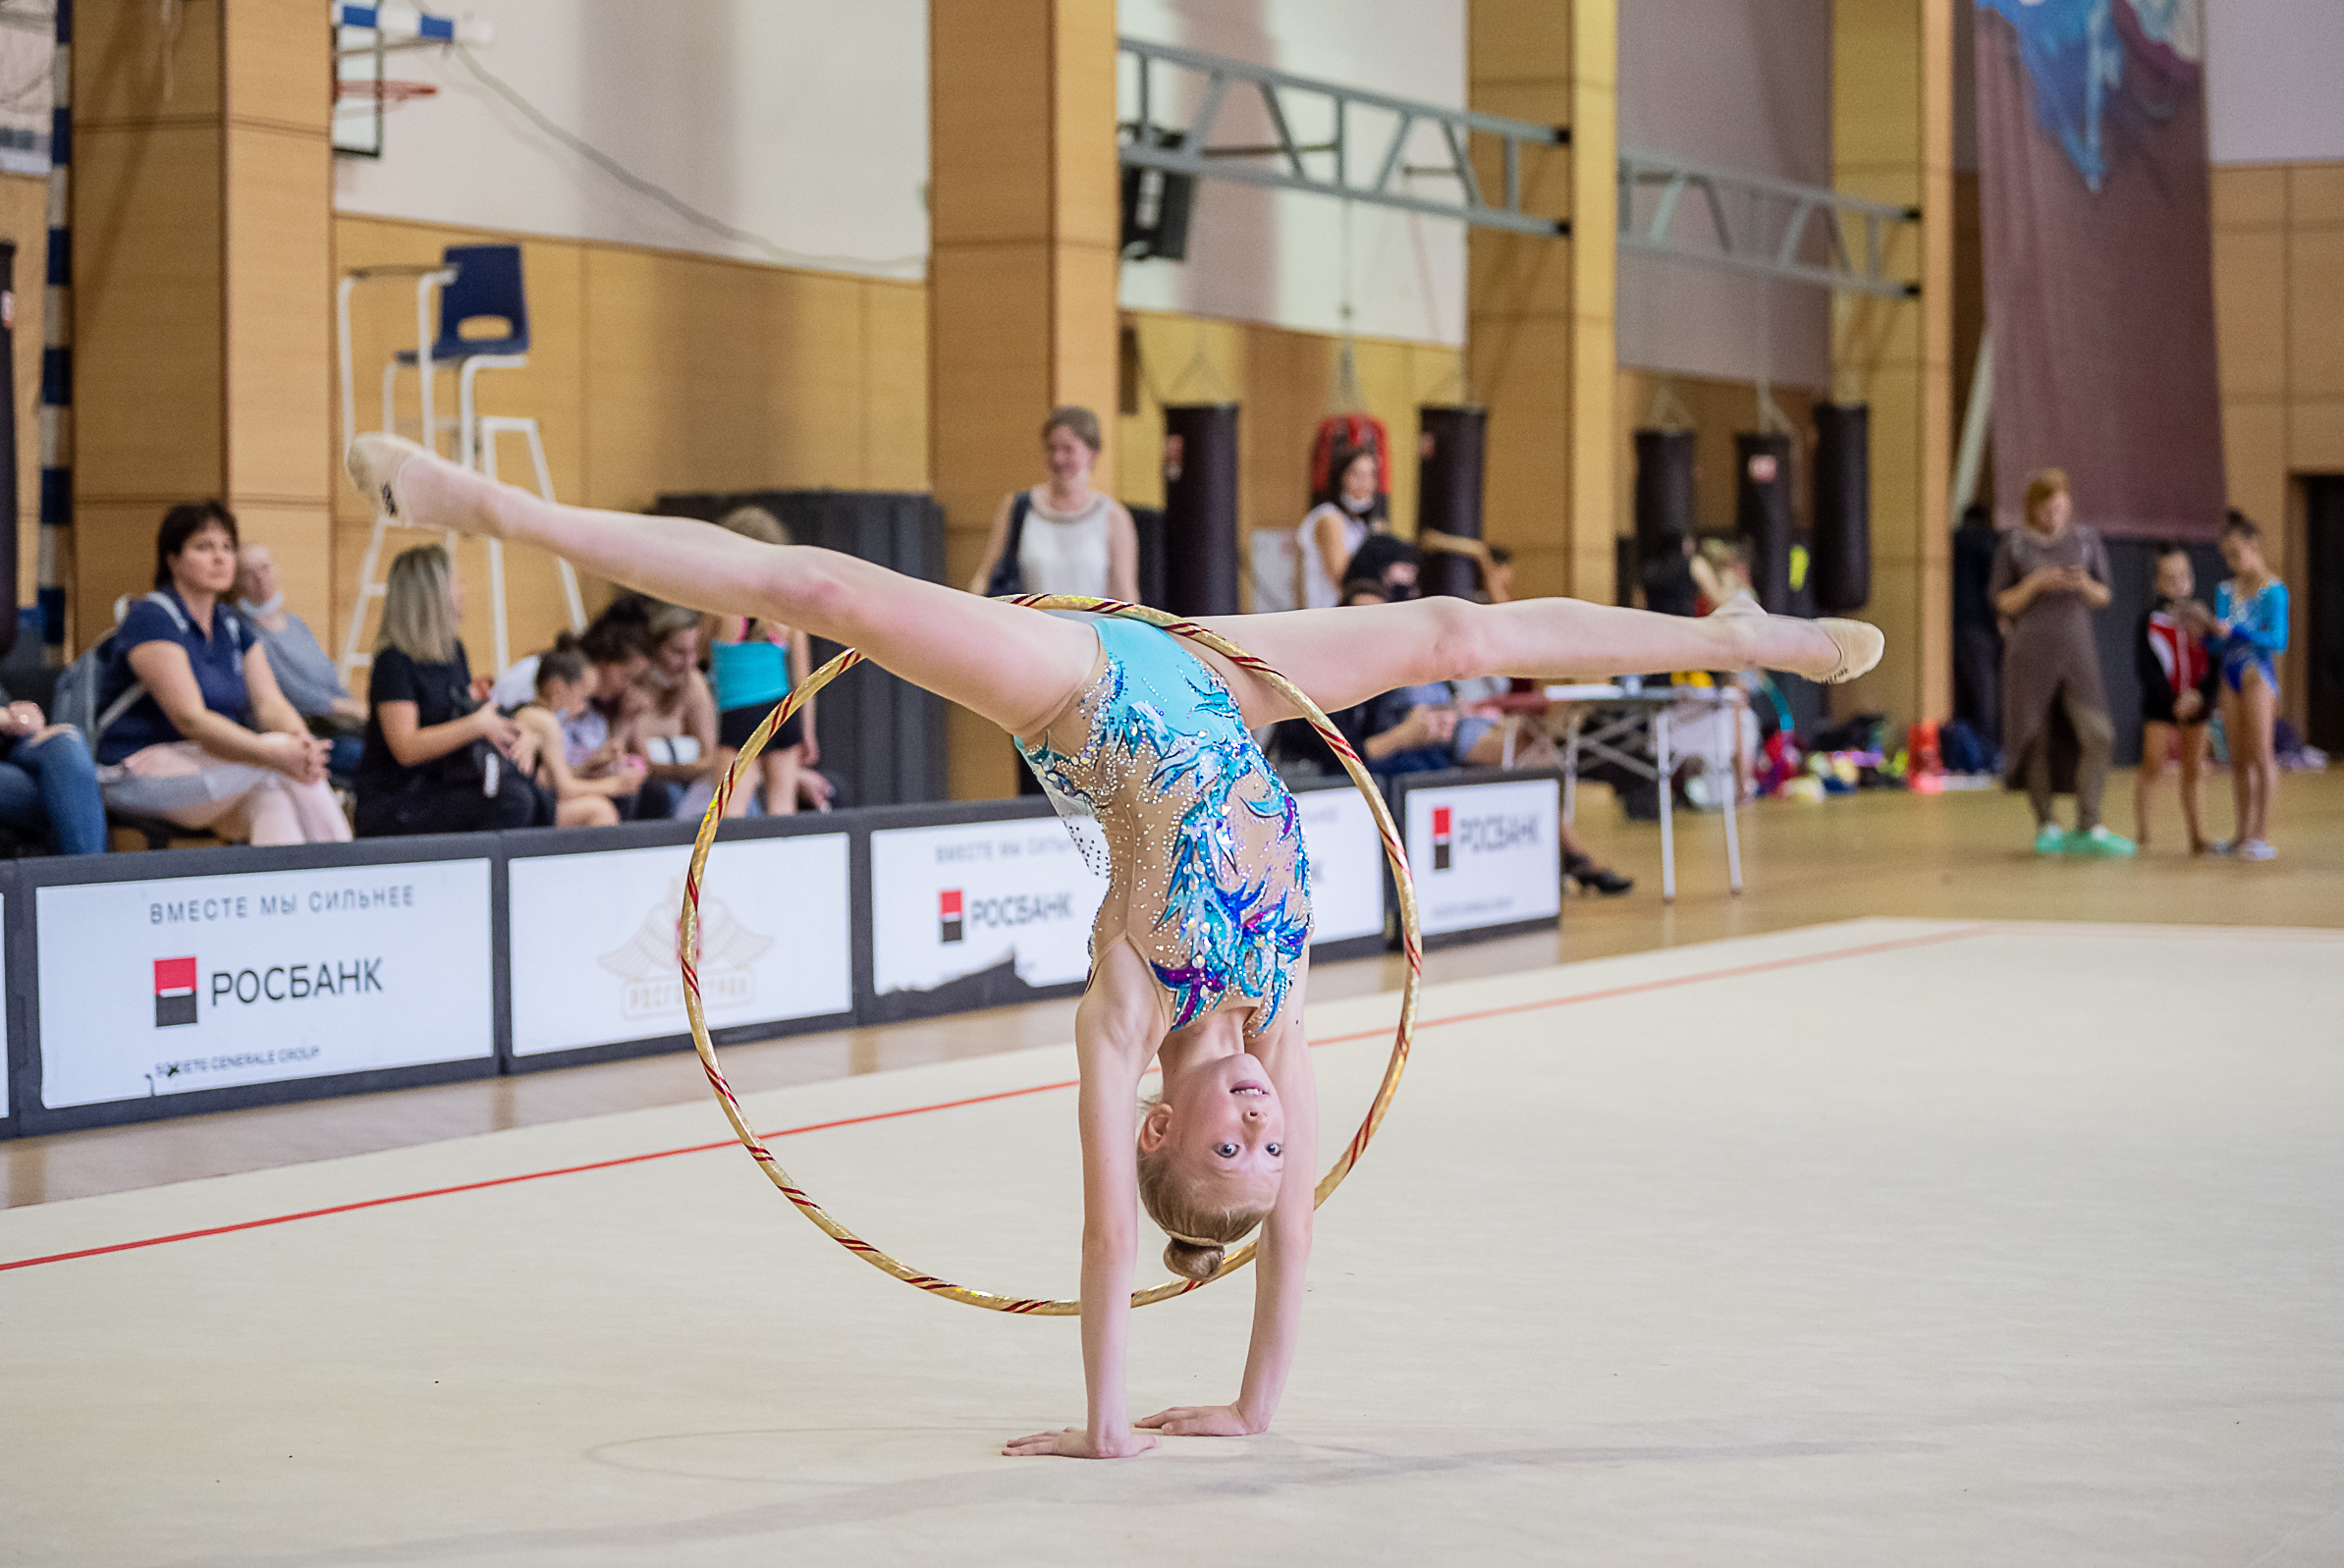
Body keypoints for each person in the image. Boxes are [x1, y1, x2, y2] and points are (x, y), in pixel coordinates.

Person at [348, 429, 1882, 1461]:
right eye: (1275, 1146)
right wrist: (1254, 1409)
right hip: (1235, 681)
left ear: (1164, 1125)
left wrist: (1109, 1424)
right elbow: (1291, 1237)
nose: (1267, 1126)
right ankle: (1746, 640)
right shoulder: (1280, 1018)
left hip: (1085, 691)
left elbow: (1103, 1241)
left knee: (820, 589)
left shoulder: (1123, 1011)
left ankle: (489, 507)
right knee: (1452, 635)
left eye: (1232, 1144)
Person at [96, 501, 352, 845]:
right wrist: (279, 753)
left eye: (227, 547)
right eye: (204, 547)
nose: (220, 557)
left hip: (205, 764)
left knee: (274, 793)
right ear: (172, 559)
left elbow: (270, 704)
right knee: (276, 760)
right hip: (133, 771)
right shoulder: (151, 617)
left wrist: (302, 744)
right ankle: (347, 865)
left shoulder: (232, 624)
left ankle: (293, 882)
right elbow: (191, 719)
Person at [352, 544, 554, 837]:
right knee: (513, 802)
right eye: (456, 582)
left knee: (537, 797)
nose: (464, 590)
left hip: (444, 783)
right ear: (432, 594)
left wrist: (516, 732)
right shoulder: (393, 662)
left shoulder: (453, 651)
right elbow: (406, 749)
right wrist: (477, 726)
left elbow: (466, 714)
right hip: (399, 799)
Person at [1989, 468, 2133, 856]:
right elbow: (2002, 601)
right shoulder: (2015, 545)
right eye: (2045, 509)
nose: (2053, 516)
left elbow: (2104, 594)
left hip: (2076, 651)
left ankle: (2090, 822)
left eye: (2059, 507)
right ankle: (2046, 823)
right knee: (2034, 736)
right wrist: (2036, 583)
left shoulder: (2085, 540)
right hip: (2029, 653)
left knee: (2098, 733)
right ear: (2032, 508)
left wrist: (2082, 584)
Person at [706, 507, 818, 815]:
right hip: (782, 711)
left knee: (730, 813)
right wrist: (807, 731)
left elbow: (701, 653)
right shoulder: (787, 611)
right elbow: (805, 681)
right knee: (783, 809)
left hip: (739, 712)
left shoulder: (720, 604)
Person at [968, 406, 1139, 601]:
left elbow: (1124, 593)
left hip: (1089, 621)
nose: (1058, 458)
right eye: (1051, 448)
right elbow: (985, 575)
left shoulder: (1113, 517)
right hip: (1029, 620)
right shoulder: (1017, 507)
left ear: (1092, 453)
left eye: (1068, 449)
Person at [233, 542, 366, 778]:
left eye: (264, 568)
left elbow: (328, 676)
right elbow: (294, 694)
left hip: (341, 723)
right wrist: (349, 708)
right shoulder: (245, 633)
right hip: (307, 733)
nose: (260, 579)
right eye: (248, 573)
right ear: (236, 582)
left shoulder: (296, 624)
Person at [2209, 513, 2289, 861]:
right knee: (2238, 758)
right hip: (2230, 674)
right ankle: (2241, 832)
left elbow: (2279, 640)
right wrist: (2209, 636)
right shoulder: (2225, 590)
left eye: (2235, 553)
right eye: (2226, 555)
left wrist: (2239, 631)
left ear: (2253, 546)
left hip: (2257, 673)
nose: (2231, 562)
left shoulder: (2274, 591)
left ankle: (2260, 834)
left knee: (2260, 755)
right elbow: (2218, 641)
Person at [2132, 542, 2218, 854]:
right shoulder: (2151, 620)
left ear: (2191, 578)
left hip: (2197, 704)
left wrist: (2200, 696)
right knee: (2153, 765)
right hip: (2161, 706)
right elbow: (2146, 668)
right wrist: (2172, 700)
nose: (2178, 583)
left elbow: (2214, 663)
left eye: (2183, 576)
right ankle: (2142, 833)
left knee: (2193, 770)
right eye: (2169, 578)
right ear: (2157, 582)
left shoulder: (2203, 619)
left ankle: (2197, 835)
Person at [508, 636, 641, 828]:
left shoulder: (529, 713)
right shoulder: (545, 721)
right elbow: (565, 789)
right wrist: (615, 785)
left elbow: (549, 779)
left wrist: (588, 765)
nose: (584, 707)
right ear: (558, 689)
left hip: (529, 800)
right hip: (525, 807)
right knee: (600, 810)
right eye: (582, 697)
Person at [621, 602, 720, 817]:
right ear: (653, 648)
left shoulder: (693, 683)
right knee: (662, 793)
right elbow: (640, 761)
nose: (688, 663)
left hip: (688, 787)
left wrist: (674, 769)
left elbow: (711, 756)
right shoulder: (632, 686)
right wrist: (685, 768)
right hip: (650, 790)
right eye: (678, 652)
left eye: (693, 652)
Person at [0, 676, 106, 854]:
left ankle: (89, 867)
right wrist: (4, 717)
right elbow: (6, 717)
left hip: (8, 746)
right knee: (71, 794)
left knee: (65, 741)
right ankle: (90, 868)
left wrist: (26, 717)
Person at [1294, 447, 1387, 609]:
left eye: (1370, 475)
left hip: (1349, 613)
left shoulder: (1358, 524)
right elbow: (1342, 577)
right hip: (1325, 614)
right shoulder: (1328, 517)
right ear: (1339, 477)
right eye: (1356, 474)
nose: (1364, 483)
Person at [1951, 502, 2005, 751]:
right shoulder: (1986, 542)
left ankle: (1968, 748)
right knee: (1985, 689)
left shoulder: (1954, 540)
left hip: (1953, 623)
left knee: (1962, 690)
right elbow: (1994, 588)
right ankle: (1988, 749)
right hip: (1980, 624)